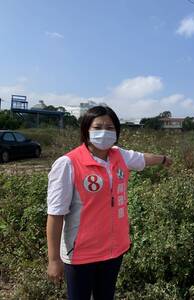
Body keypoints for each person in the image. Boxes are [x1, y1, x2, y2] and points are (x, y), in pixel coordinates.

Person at [46, 106, 172, 300]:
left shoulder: (118, 155)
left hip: (113, 250)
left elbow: (143, 158)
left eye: (110, 127)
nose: (104, 132)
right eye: (98, 127)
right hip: (81, 254)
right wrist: (54, 260)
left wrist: (163, 159)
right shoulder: (68, 164)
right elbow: (55, 214)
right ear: (86, 130)